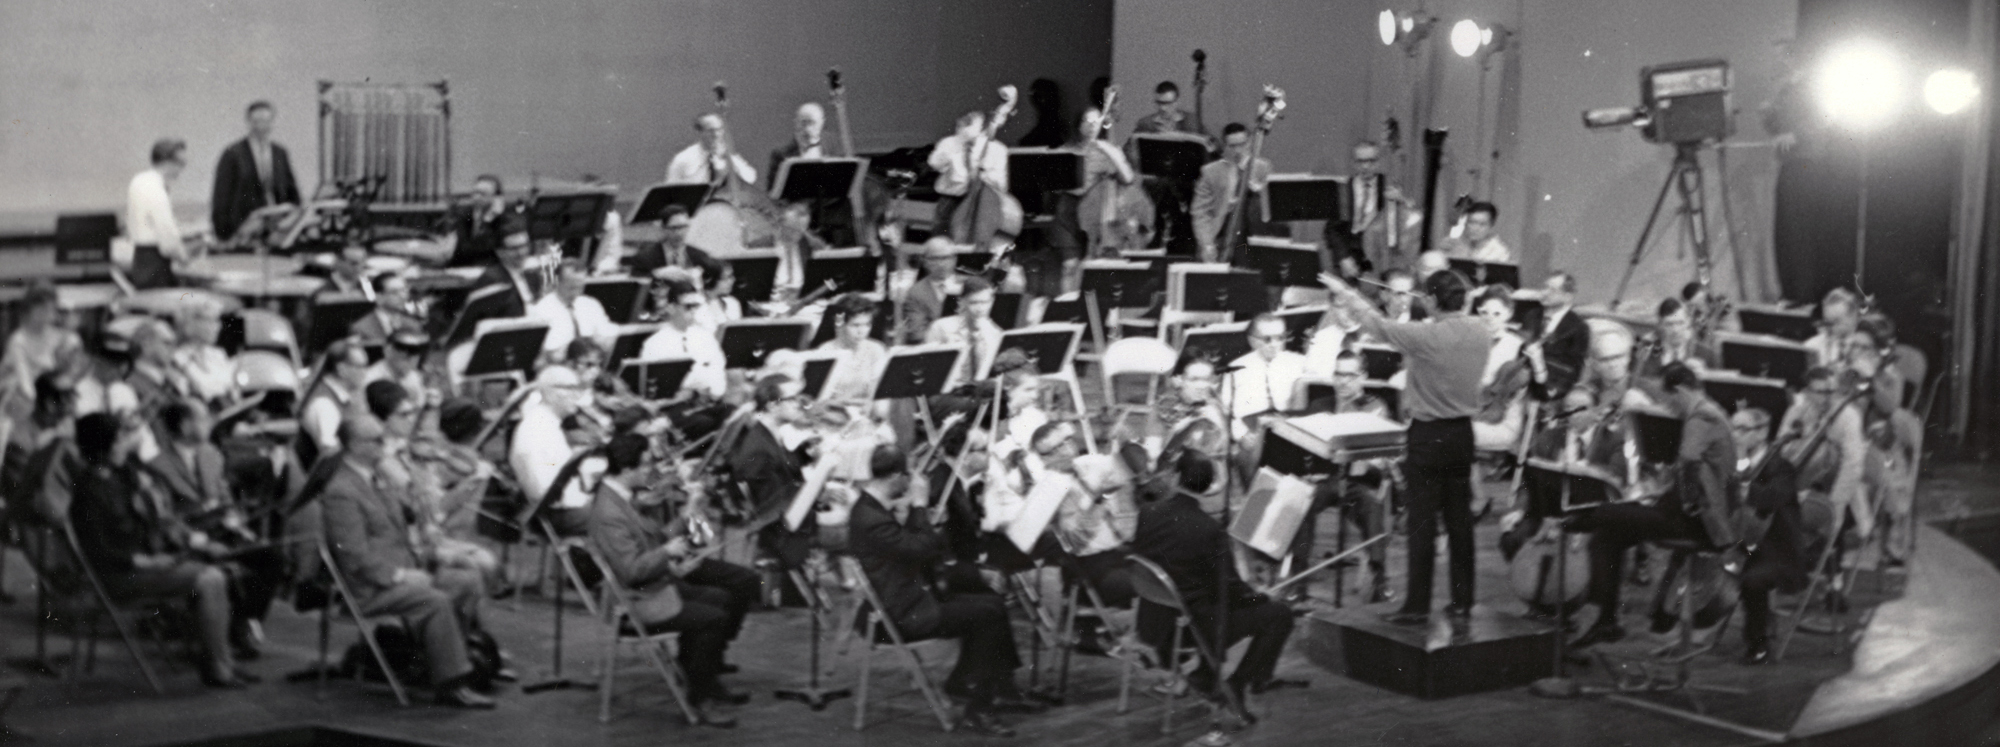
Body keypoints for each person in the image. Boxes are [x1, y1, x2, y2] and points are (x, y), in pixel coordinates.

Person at [1320, 269, 1489, 624]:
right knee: (1460, 522)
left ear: (1429, 300)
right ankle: (1463, 601)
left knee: (1422, 524)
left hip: (1428, 436)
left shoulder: (1425, 335)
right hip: (1463, 436)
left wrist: (1346, 290)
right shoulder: (1480, 329)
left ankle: (1417, 606)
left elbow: (1375, 324)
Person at [847, 443, 1032, 737]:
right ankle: (980, 707)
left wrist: (974, 573)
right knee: (988, 613)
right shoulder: (870, 519)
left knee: (989, 600)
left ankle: (981, 683)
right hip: (903, 615)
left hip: (912, 597)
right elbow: (919, 550)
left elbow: (920, 555)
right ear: (896, 476)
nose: (911, 482)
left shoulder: (873, 509)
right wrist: (919, 506)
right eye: (907, 475)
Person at [64, 412, 254, 689]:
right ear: (102, 446)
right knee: (210, 578)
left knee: (226, 570)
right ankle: (218, 668)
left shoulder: (122, 474)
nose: (125, 445)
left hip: (145, 563)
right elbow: (100, 552)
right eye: (119, 440)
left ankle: (220, 660)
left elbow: (152, 500)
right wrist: (150, 562)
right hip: (121, 575)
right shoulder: (89, 492)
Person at [320, 415, 496, 708]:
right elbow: (353, 555)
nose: (384, 445)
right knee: (435, 600)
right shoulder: (341, 491)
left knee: (466, 579)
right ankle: (452, 684)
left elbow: (402, 534)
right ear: (353, 445)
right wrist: (399, 576)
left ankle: (446, 661)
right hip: (370, 586)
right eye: (376, 440)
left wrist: (434, 555)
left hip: (405, 567)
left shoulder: (378, 479)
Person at [1568, 363, 1741, 649]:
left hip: (1699, 520)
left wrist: (1669, 494)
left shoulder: (1703, 417)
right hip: (1681, 510)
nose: (1668, 406)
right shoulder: (1699, 414)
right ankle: (1606, 620)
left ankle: (1577, 519)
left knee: (1602, 512)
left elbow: (1687, 462)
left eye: (1669, 399)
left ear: (1681, 390)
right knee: (1605, 539)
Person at [587, 433, 747, 726]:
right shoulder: (610, 512)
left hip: (653, 587)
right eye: (646, 464)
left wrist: (687, 514)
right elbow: (632, 570)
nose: (651, 470)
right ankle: (700, 696)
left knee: (723, 597)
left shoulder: (620, 496)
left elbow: (654, 539)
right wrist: (667, 552)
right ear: (627, 469)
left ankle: (700, 677)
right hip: (638, 603)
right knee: (712, 618)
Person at [1130, 450, 1304, 718]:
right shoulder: (1209, 529)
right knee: (1279, 615)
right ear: (1210, 487)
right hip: (1189, 628)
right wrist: (1261, 596)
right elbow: (1230, 590)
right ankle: (1237, 683)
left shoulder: (1148, 513)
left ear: (1176, 478)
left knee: (1205, 598)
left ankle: (1205, 675)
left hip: (1151, 620)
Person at [1292, 351, 1396, 603]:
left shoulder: (1375, 408)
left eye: (1350, 375)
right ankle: (1298, 580)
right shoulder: (1319, 407)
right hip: (1324, 480)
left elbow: (1387, 456)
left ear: (1363, 377)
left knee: (1372, 505)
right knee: (1299, 502)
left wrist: (1374, 458)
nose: (1343, 381)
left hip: (1358, 482)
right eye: (1339, 374)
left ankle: (1379, 578)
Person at [1731, 407, 1818, 665]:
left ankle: (1758, 643)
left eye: (1742, 429)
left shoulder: (1782, 467)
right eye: (1732, 428)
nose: (1735, 435)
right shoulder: (1736, 464)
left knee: (1752, 580)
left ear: (1762, 433)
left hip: (1780, 552)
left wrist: (1745, 490)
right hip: (1747, 546)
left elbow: (1774, 497)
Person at [725, 375, 815, 568]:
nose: (800, 404)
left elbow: (785, 471)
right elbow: (772, 508)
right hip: (782, 535)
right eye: (793, 399)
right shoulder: (758, 450)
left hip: (790, 521)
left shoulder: (771, 434)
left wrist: (808, 454)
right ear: (773, 406)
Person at [1051, 107, 1138, 281]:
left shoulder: (1108, 151)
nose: (1092, 126)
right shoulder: (1064, 150)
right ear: (1079, 125)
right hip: (1069, 210)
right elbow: (1053, 185)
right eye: (1087, 122)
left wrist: (1111, 152)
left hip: (1096, 213)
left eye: (1096, 122)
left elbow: (1128, 179)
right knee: (1070, 266)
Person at [509, 366, 595, 536]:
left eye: (578, 388)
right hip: (556, 515)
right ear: (549, 393)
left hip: (563, 506)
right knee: (625, 514)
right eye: (570, 388)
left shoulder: (547, 423)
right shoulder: (537, 429)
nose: (577, 395)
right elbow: (544, 492)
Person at [766, 101, 856, 247]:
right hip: (800, 221)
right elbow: (773, 193)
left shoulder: (834, 145)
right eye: (803, 123)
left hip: (831, 217)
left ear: (822, 123)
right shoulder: (781, 154)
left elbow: (846, 182)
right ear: (795, 124)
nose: (807, 128)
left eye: (812, 123)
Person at [210, 100, 302, 242]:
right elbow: (221, 198)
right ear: (248, 122)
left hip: (278, 230)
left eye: (266, 121)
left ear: (272, 122)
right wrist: (223, 236)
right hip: (244, 231)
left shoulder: (280, 153)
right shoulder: (233, 154)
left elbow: (292, 191)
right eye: (257, 121)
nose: (261, 126)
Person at [1325, 142, 1411, 274]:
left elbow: (1408, 220)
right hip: (1350, 255)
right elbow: (1332, 230)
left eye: (1371, 161)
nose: (1365, 166)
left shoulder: (1389, 185)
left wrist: (1402, 200)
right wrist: (1343, 258)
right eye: (1360, 161)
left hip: (1379, 256)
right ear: (1353, 163)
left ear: (1379, 162)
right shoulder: (1343, 189)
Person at [1191, 123, 1272, 263]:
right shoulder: (1211, 171)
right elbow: (1200, 212)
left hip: (1251, 236)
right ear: (1225, 146)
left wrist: (1260, 193)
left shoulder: (1262, 167)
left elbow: (1270, 208)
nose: (1238, 150)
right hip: (1222, 235)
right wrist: (1207, 243)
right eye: (1233, 146)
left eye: (1242, 144)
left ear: (1250, 142)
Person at [127, 138, 201, 289]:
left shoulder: (139, 181)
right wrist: (184, 258)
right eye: (181, 164)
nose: (181, 170)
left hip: (140, 259)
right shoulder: (156, 189)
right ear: (168, 162)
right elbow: (168, 241)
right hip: (155, 264)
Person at [639, 279, 727, 401]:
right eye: (688, 307)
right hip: (676, 405)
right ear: (671, 307)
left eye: (696, 306)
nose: (693, 311)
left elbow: (718, 369)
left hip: (710, 400)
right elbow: (655, 387)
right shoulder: (655, 344)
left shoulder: (705, 336)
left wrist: (714, 393)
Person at [1222, 314, 1310, 436]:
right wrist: (1241, 435)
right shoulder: (1236, 368)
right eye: (1267, 339)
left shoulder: (1298, 362)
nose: (1275, 344)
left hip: (1282, 427)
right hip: (1250, 429)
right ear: (1252, 340)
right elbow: (1227, 412)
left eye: (1280, 338)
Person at [927, 110, 1009, 230]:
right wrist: (957, 145)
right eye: (960, 125)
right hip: (950, 201)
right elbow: (934, 164)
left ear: (982, 128)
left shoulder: (997, 149)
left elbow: (1001, 185)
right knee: (942, 238)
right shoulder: (949, 142)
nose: (962, 129)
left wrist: (982, 174)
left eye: (969, 124)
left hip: (982, 204)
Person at [2, 281, 83, 402]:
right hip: (21, 401)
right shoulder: (18, 341)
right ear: (28, 310)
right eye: (41, 309)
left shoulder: (62, 337)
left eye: (50, 308)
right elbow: (26, 386)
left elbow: (75, 372)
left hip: (54, 399)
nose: (46, 314)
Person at [923, 275, 1003, 392]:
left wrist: (987, 340)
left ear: (992, 302)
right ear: (963, 302)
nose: (980, 308)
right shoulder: (941, 327)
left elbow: (991, 372)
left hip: (978, 389)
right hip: (948, 390)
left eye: (985, 302)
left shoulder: (995, 332)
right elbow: (928, 368)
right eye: (974, 303)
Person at [529, 259, 617, 359]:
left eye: (580, 286)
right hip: (559, 365)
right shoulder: (541, 310)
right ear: (558, 281)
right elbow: (545, 352)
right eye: (571, 286)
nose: (576, 291)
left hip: (590, 363)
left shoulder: (591, 304)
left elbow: (607, 334)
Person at [300, 339, 370, 466]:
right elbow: (331, 456)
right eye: (361, 367)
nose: (365, 372)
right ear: (341, 369)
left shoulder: (347, 395)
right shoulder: (325, 406)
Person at [1525, 272, 1590, 402]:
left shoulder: (1579, 328)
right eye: (1545, 287)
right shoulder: (1532, 315)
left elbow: (1573, 372)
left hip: (1549, 392)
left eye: (1552, 290)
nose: (1545, 292)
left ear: (1568, 296)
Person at [817, 294, 888, 404]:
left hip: (867, 410)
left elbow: (879, 393)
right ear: (841, 324)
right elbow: (820, 398)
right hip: (834, 412)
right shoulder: (825, 351)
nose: (862, 331)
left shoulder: (876, 349)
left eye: (867, 325)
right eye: (855, 325)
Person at [627, 205, 717, 283]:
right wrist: (656, 275)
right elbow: (634, 281)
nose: (680, 233)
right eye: (674, 228)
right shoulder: (645, 257)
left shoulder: (700, 256)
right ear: (663, 228)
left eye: (684, 227)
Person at [472, 215, 540, 318]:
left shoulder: (532, 275)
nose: (521, 252)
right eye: (514, 248)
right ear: (500, 252)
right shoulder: (491, 279)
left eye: (524, 245)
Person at [667, 113, 758, 186]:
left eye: (719, 130)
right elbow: (670, 189)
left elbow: (750, 179)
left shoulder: (727, 156)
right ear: (700, 132)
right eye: (711, 131)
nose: (716, 135)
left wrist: (729, 159)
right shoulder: (683, 159)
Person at [898, 239, 959, 344]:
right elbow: (916, 335)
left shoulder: (966, 284)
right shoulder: (915, 293)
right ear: (925, 261)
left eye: (946, 258)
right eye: (935, 259)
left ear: (954, 259)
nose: (941, 264)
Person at [364, 330, 432, 415]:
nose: (411, 357)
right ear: (387, 350)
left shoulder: (413, 376)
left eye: (416, 352)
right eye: (404, 350)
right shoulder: (371, 379)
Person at [349, 273, 422, 349]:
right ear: (379, 296)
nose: (403, 296)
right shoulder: (361, 328)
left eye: (404, 290)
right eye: (394, 292)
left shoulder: (413, 323)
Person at [1438, 201, 1512, 263]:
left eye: (1482, 224)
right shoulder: (1453, 243)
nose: (1475, 228)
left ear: (1491, 226)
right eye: (1471, 222)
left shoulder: (1499, 252)